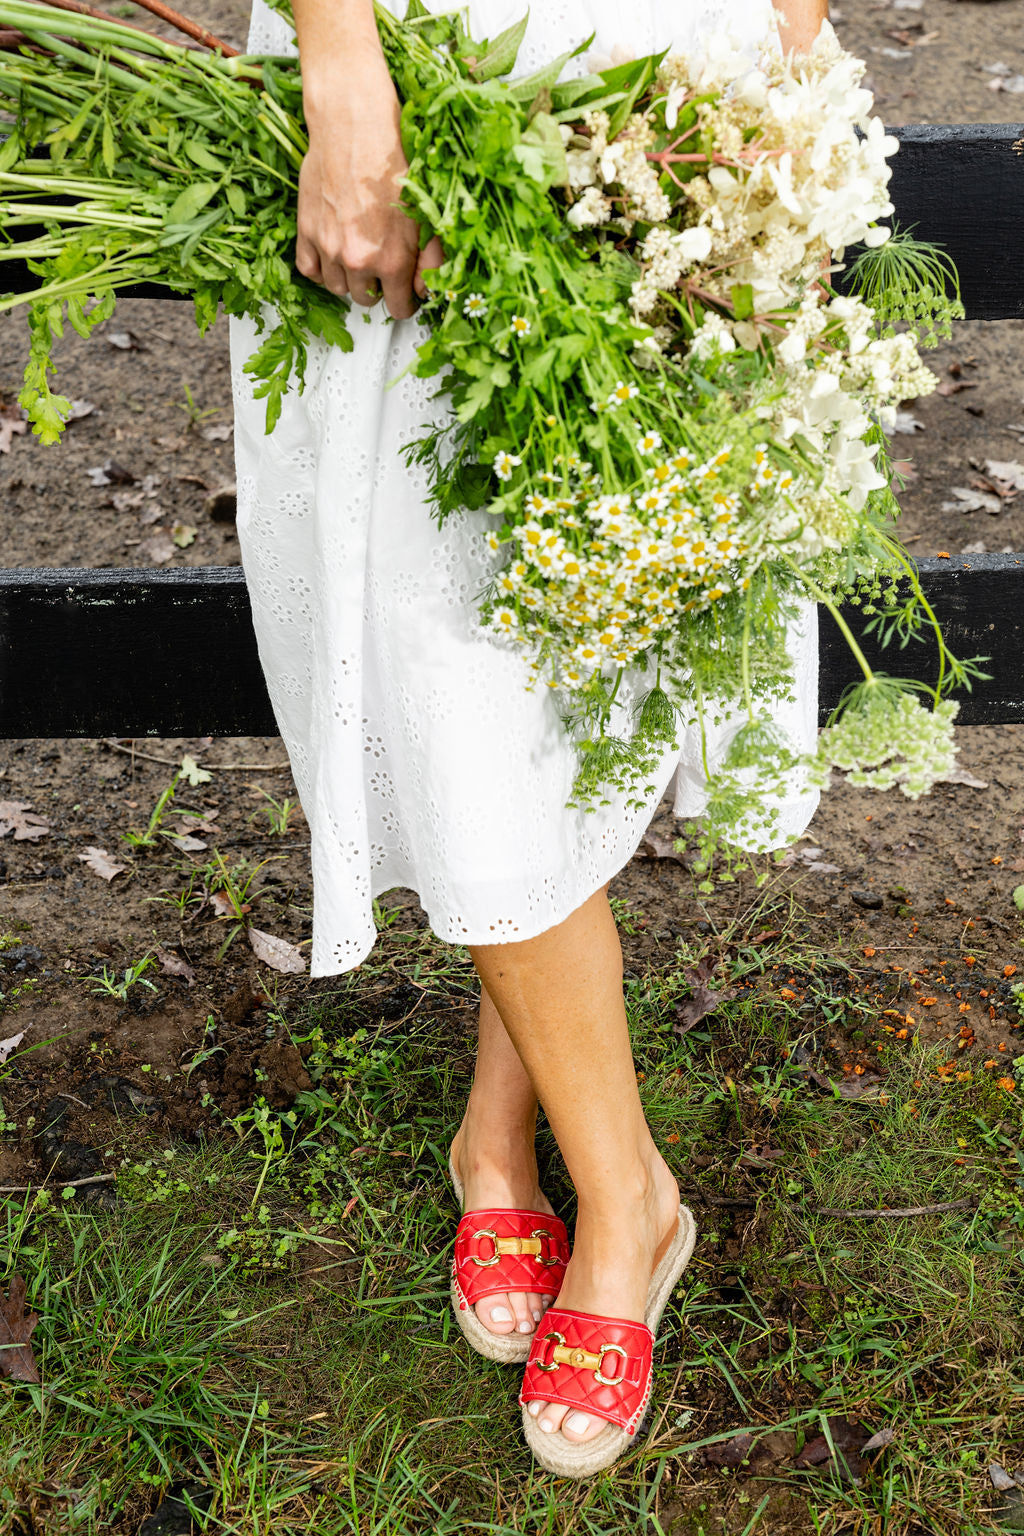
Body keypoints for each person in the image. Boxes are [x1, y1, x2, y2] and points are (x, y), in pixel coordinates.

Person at [229, 0, 827, 1476]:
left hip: (677, 52)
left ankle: (504, 1131)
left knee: (597, 619)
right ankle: (629, 1199)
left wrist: (788, 29)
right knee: (451, 652)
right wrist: (340, 66)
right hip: (413, 66)